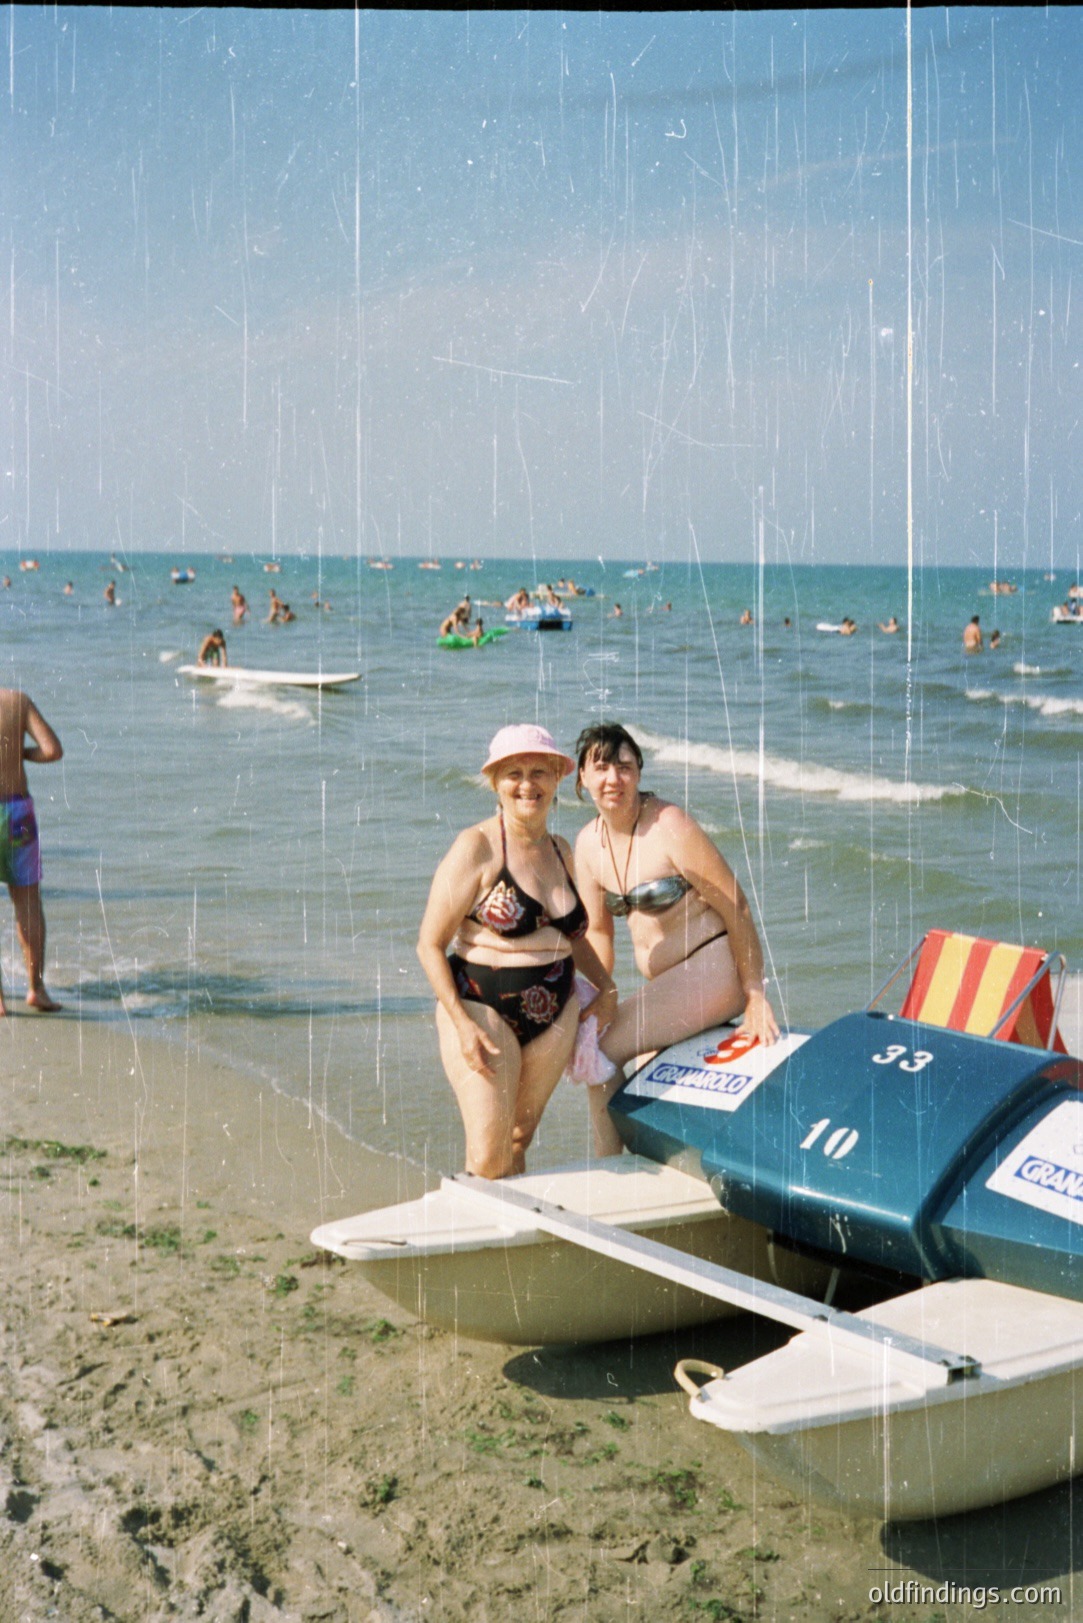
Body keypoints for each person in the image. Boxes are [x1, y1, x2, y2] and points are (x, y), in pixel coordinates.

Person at [417, 724, 616, 1179]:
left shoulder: (562, 850)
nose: (528, 784)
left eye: (540, 772)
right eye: (514, 774)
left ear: (558, 779)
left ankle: (507, 1240)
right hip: (482, 1007)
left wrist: (606, 986)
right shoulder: (477, 847)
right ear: (495, 783)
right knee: (489, 1155)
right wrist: (460, 1024)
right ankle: (472, 1238)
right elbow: (429, 944)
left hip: (555, 1012)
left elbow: (573, 936)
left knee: (519, 1141)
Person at [572, 722, 779, 1156]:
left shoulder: (669, 824)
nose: (614, 779)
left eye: (625, 767)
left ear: (640, 773)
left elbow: (735, 905)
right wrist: (595, 1000)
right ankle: (635, 1165)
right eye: (602, 767)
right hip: (669, 985)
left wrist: (755, 993)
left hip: (714, 968)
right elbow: (598, 933)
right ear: (582, 779)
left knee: (602, 1050)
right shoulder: (588, 844)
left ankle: (608, 1169)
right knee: (598, 1035)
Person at [0, 689, 63, 1014]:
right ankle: (36, 989)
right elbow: (52, 751)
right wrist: (20, 754)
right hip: (16, 812)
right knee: (27, 902)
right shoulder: (17, 701)